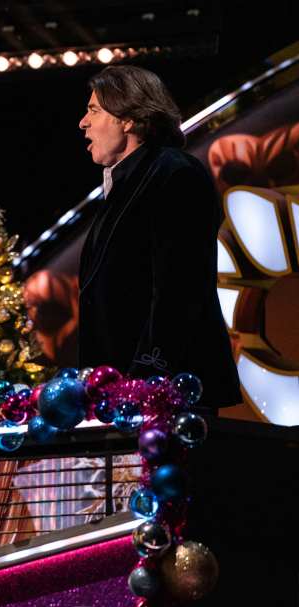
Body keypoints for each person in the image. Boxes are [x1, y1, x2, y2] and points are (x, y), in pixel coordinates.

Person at [76, 65, 240, 409]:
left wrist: (144, 381)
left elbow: (180, 287)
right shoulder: (125, 184)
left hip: (168, 394)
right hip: (126, 394)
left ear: (128, 118)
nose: (83, 123)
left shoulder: (176, 173)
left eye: (94, 110)